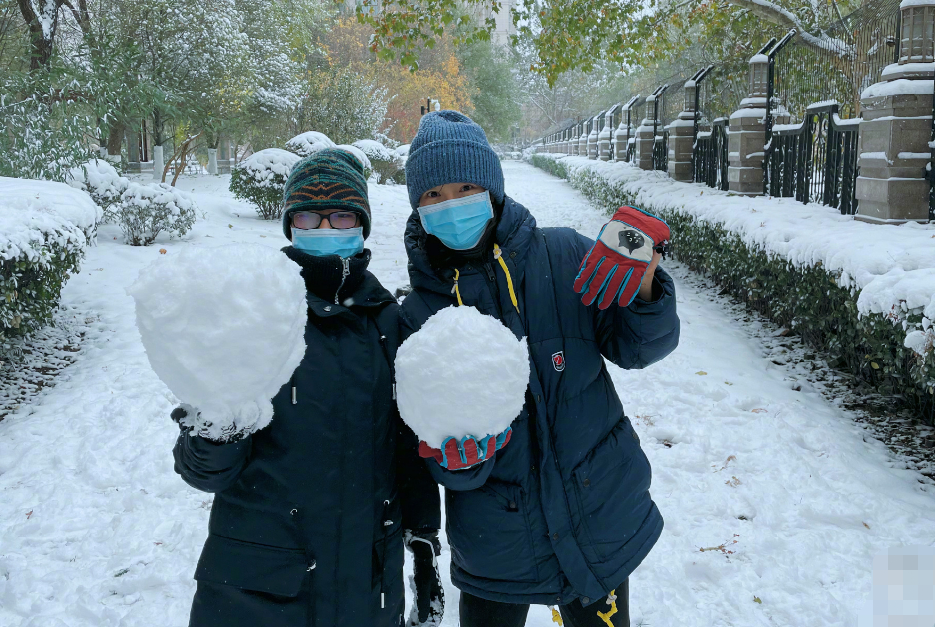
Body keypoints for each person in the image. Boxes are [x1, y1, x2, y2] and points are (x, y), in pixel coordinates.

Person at [398, 111, 680, 627]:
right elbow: (429, 451)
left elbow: (640, 348)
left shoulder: (566, 255)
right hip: (494, 544)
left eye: (465, 186)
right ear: (417, 206)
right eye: (433, 195)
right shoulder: (417, 317)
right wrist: (458, 463)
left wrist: (645, 277)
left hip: (598, 517)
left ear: (493, 188)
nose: (451, 204)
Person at [172, 148, 444, 627]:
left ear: (361, 224)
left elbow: (408, 446)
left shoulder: (389, 322)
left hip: (367, 583)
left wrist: (423, 540)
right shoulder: (253, 313)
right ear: (289, 224)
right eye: (309, 216)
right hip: (259, 587)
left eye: (341, 216)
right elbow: (205, 473)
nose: (325, 229)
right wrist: (214, 425)